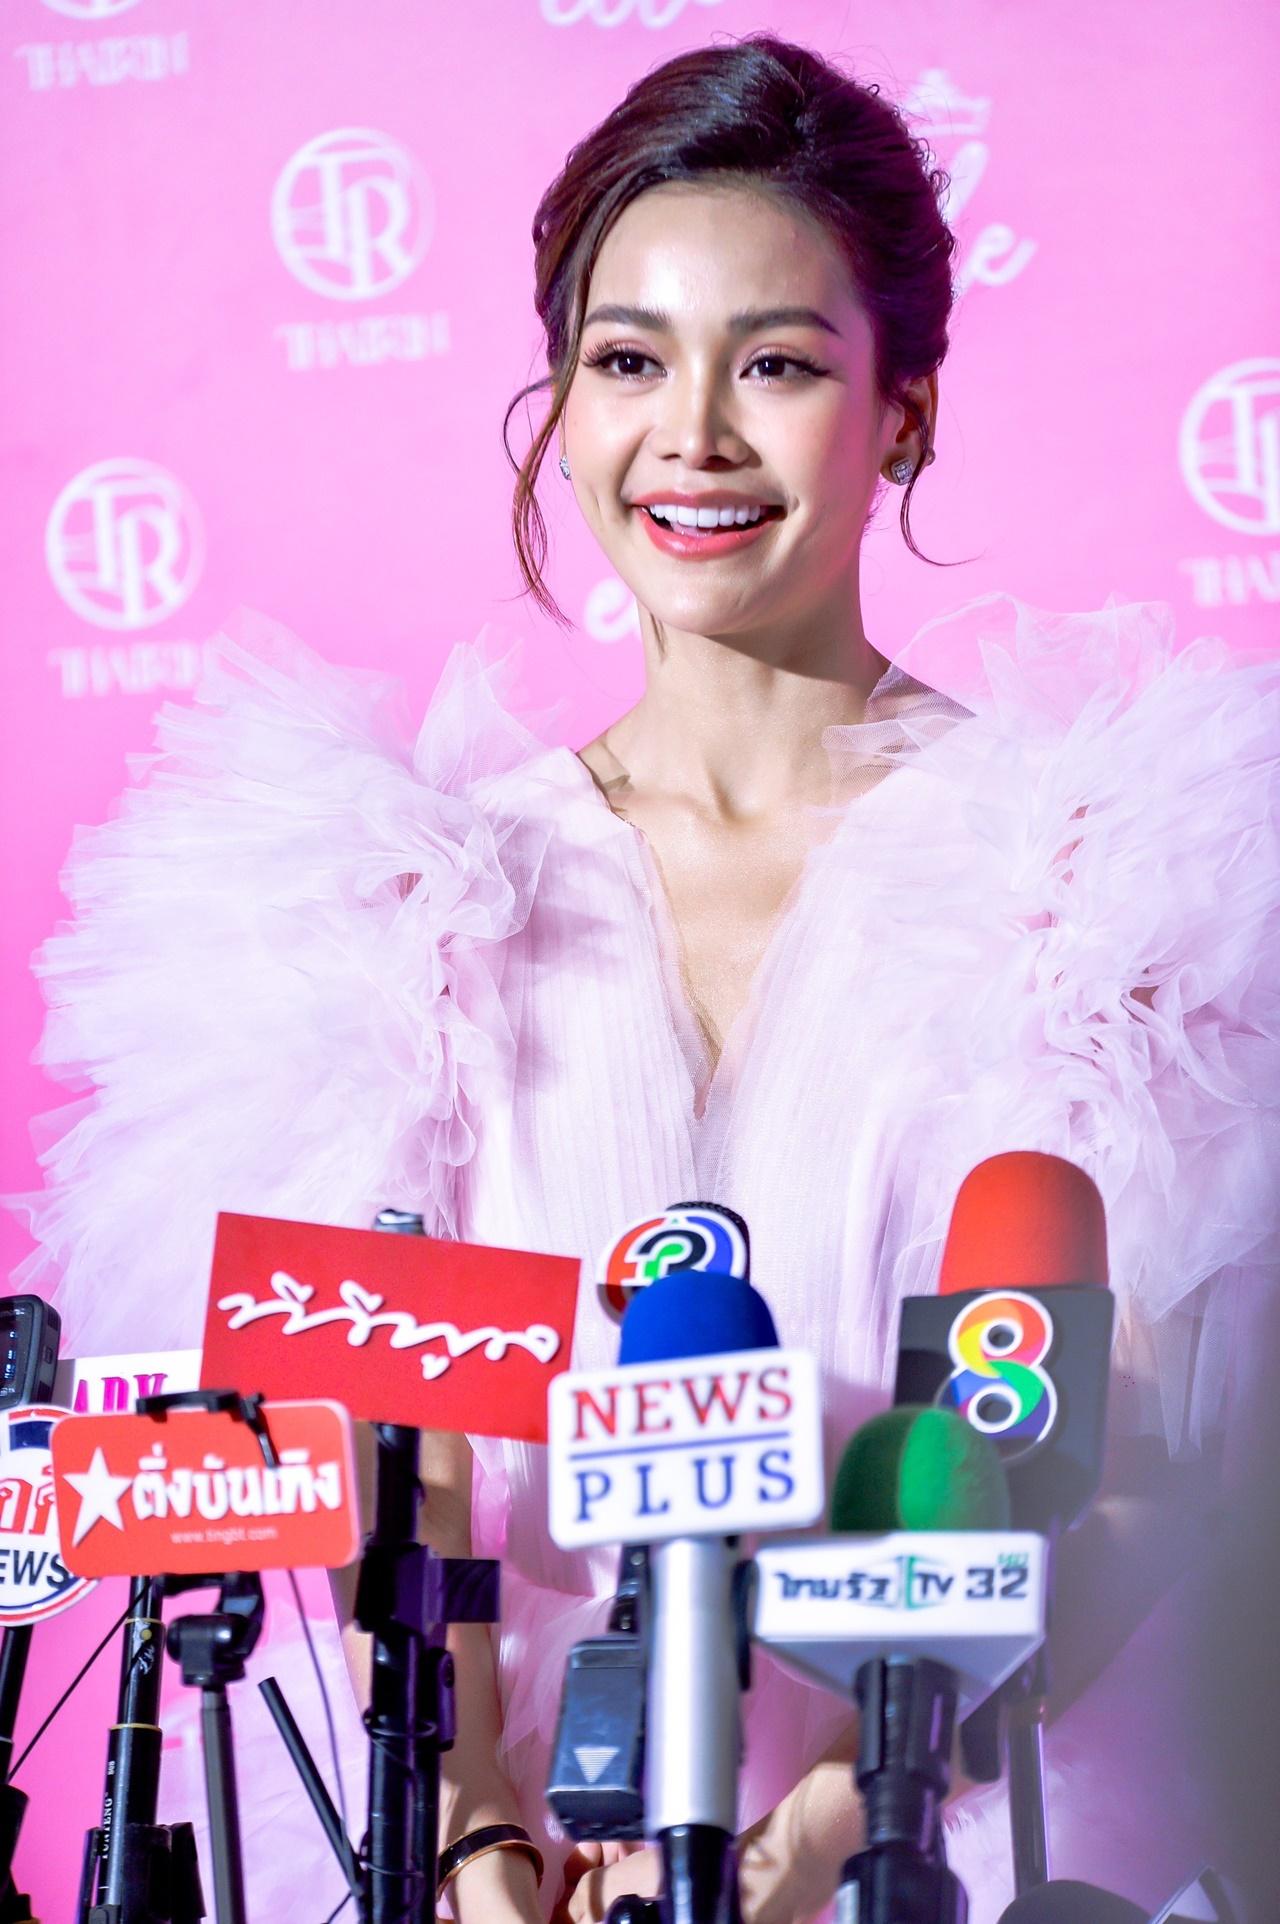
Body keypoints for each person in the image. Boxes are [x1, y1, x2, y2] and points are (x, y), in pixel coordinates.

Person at [11, 33, 1279, 1924]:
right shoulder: (404, 911)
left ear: (905, 409)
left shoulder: (1101, 886)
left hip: (956, 1858)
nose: (692, 435)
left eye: (775, 364)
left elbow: (1119, 1484)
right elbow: (384, 1478)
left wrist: (822, 1834)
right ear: (559, 405)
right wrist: (476, 1833)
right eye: (627, 361)